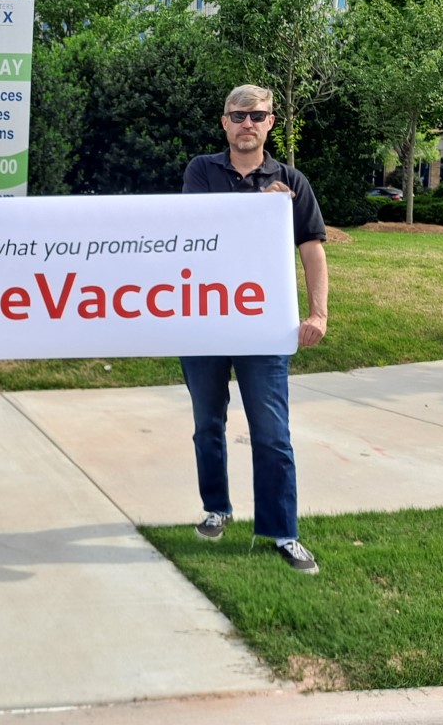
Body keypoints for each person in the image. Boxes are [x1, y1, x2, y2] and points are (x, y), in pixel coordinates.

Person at [179, 84, 328, 575]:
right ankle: (216, 509)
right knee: (207, 424)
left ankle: (283, 532)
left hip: (263, 325)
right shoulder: (202, 171)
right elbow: (198, 229)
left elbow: (312, 250)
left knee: (272, 432)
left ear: (270, 123)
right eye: (239, 115)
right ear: (225, 122)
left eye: (257, 116)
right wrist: (261, 207)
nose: (248, 123)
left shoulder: (291, 182)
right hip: (204, 320)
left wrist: (319, 314)